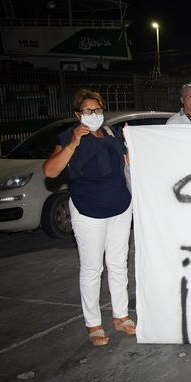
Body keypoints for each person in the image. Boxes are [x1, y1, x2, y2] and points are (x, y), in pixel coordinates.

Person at [42, 89, 136, 347]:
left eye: (97, 110)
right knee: (93, 268)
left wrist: (134, 141)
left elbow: (129, 162)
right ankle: (93, 324)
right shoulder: (68, 137)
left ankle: (121, 316)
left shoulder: (111, 133)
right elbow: (50, 171)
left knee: (118, 264)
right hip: (88, 211)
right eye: (88, 111)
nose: (94, 114)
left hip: (119, 208)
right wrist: (73, 142)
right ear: (77, 114)